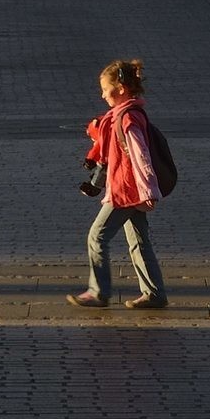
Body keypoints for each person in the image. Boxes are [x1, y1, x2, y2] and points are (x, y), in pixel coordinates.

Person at [68, 58, 167, 310]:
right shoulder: (119, 115)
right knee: (139, 241)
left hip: (127, 191)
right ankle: (154, 293)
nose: (102, 95)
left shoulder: (128, 118)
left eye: (105, 89)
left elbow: (141, 155)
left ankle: (98, 291)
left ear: (121, 88)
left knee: (97, 236)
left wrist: (148, 190)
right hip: (128, 189)